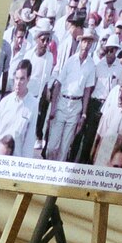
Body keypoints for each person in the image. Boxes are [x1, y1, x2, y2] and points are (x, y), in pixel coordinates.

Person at [42, 27, 98, 163]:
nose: (86, 45)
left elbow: (87, 92)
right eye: (84, 41)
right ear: (80, 42)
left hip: (76, 107)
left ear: (91, 45)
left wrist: (83, 114)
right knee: (51, 146)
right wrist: (54, 107)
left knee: (65, 147)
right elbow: (58, 84)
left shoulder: (91, 66)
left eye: (89, 42)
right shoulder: (70, 61)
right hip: (62, 103)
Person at [0, 60, 41, 157]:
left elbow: (29, 139)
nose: (18, 83)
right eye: (16, 78)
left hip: (15, 158)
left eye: (22, 79)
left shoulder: (33, 104)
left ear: (28, 79)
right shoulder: (5, 102)